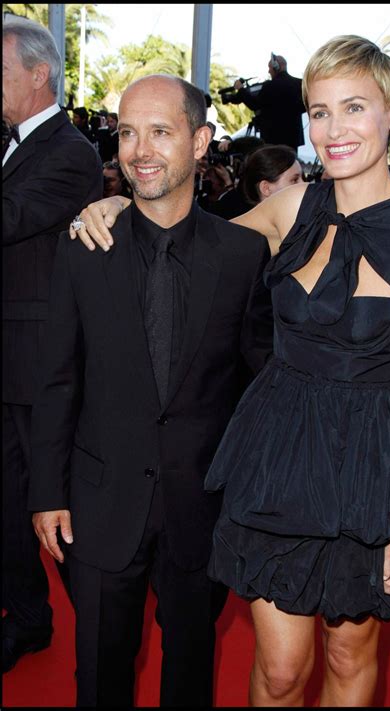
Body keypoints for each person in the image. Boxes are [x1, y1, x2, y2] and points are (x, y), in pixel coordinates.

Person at [62, 36, 390, 708]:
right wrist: (119, 209)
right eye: (319, 111)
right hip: (278, 457)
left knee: (346, 652)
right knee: (279, 668)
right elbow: (186, 238)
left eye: (354, 107)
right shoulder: (292, 207)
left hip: (366, 464)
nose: (333, 130)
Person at [28, 74, 273, 708]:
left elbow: (259, 384)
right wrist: (47, 491)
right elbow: (57, 381)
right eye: (129, 131)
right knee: (100, 675)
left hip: (203, 509)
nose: (140, 150)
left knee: (189, 672)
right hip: (100, 503)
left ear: (200, 142)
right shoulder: (84, 249)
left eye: (161, 132)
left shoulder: (244, 255)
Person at [2, 15, 103, 674]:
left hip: (41, 367)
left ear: (39, 75)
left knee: (58, 515)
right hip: (8, 364)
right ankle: (30, 618)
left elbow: (10, 218)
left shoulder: (71, 152)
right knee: (8, 510)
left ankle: (101, 635)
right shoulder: (8, 143)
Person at [232, 53, 306, 151]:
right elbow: (306, 106)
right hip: (293, 139)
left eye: (270, 67)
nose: (269, 71)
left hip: (272, 138)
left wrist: (241, 90)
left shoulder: (269, 86)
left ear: (276, 66)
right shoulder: (300, 84)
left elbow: (254, 105)